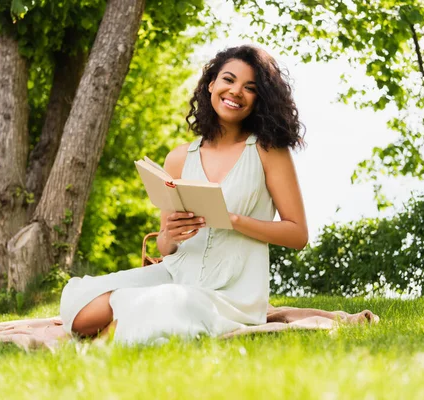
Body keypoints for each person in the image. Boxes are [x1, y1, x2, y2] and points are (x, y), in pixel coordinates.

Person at [59, 45, 378, 346]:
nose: (236, 91)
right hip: (175, 273)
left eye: (250, 87)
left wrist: (234, 220)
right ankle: (132, 318)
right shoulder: (179, 157)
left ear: (259, 99)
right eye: (228, 79)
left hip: (232, 290)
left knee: (159, 305)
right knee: (81, 307)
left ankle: (135, 320)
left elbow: (297, 234)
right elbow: (165, 247)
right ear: (210, 85)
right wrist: (170, 234)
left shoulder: (268, 151)